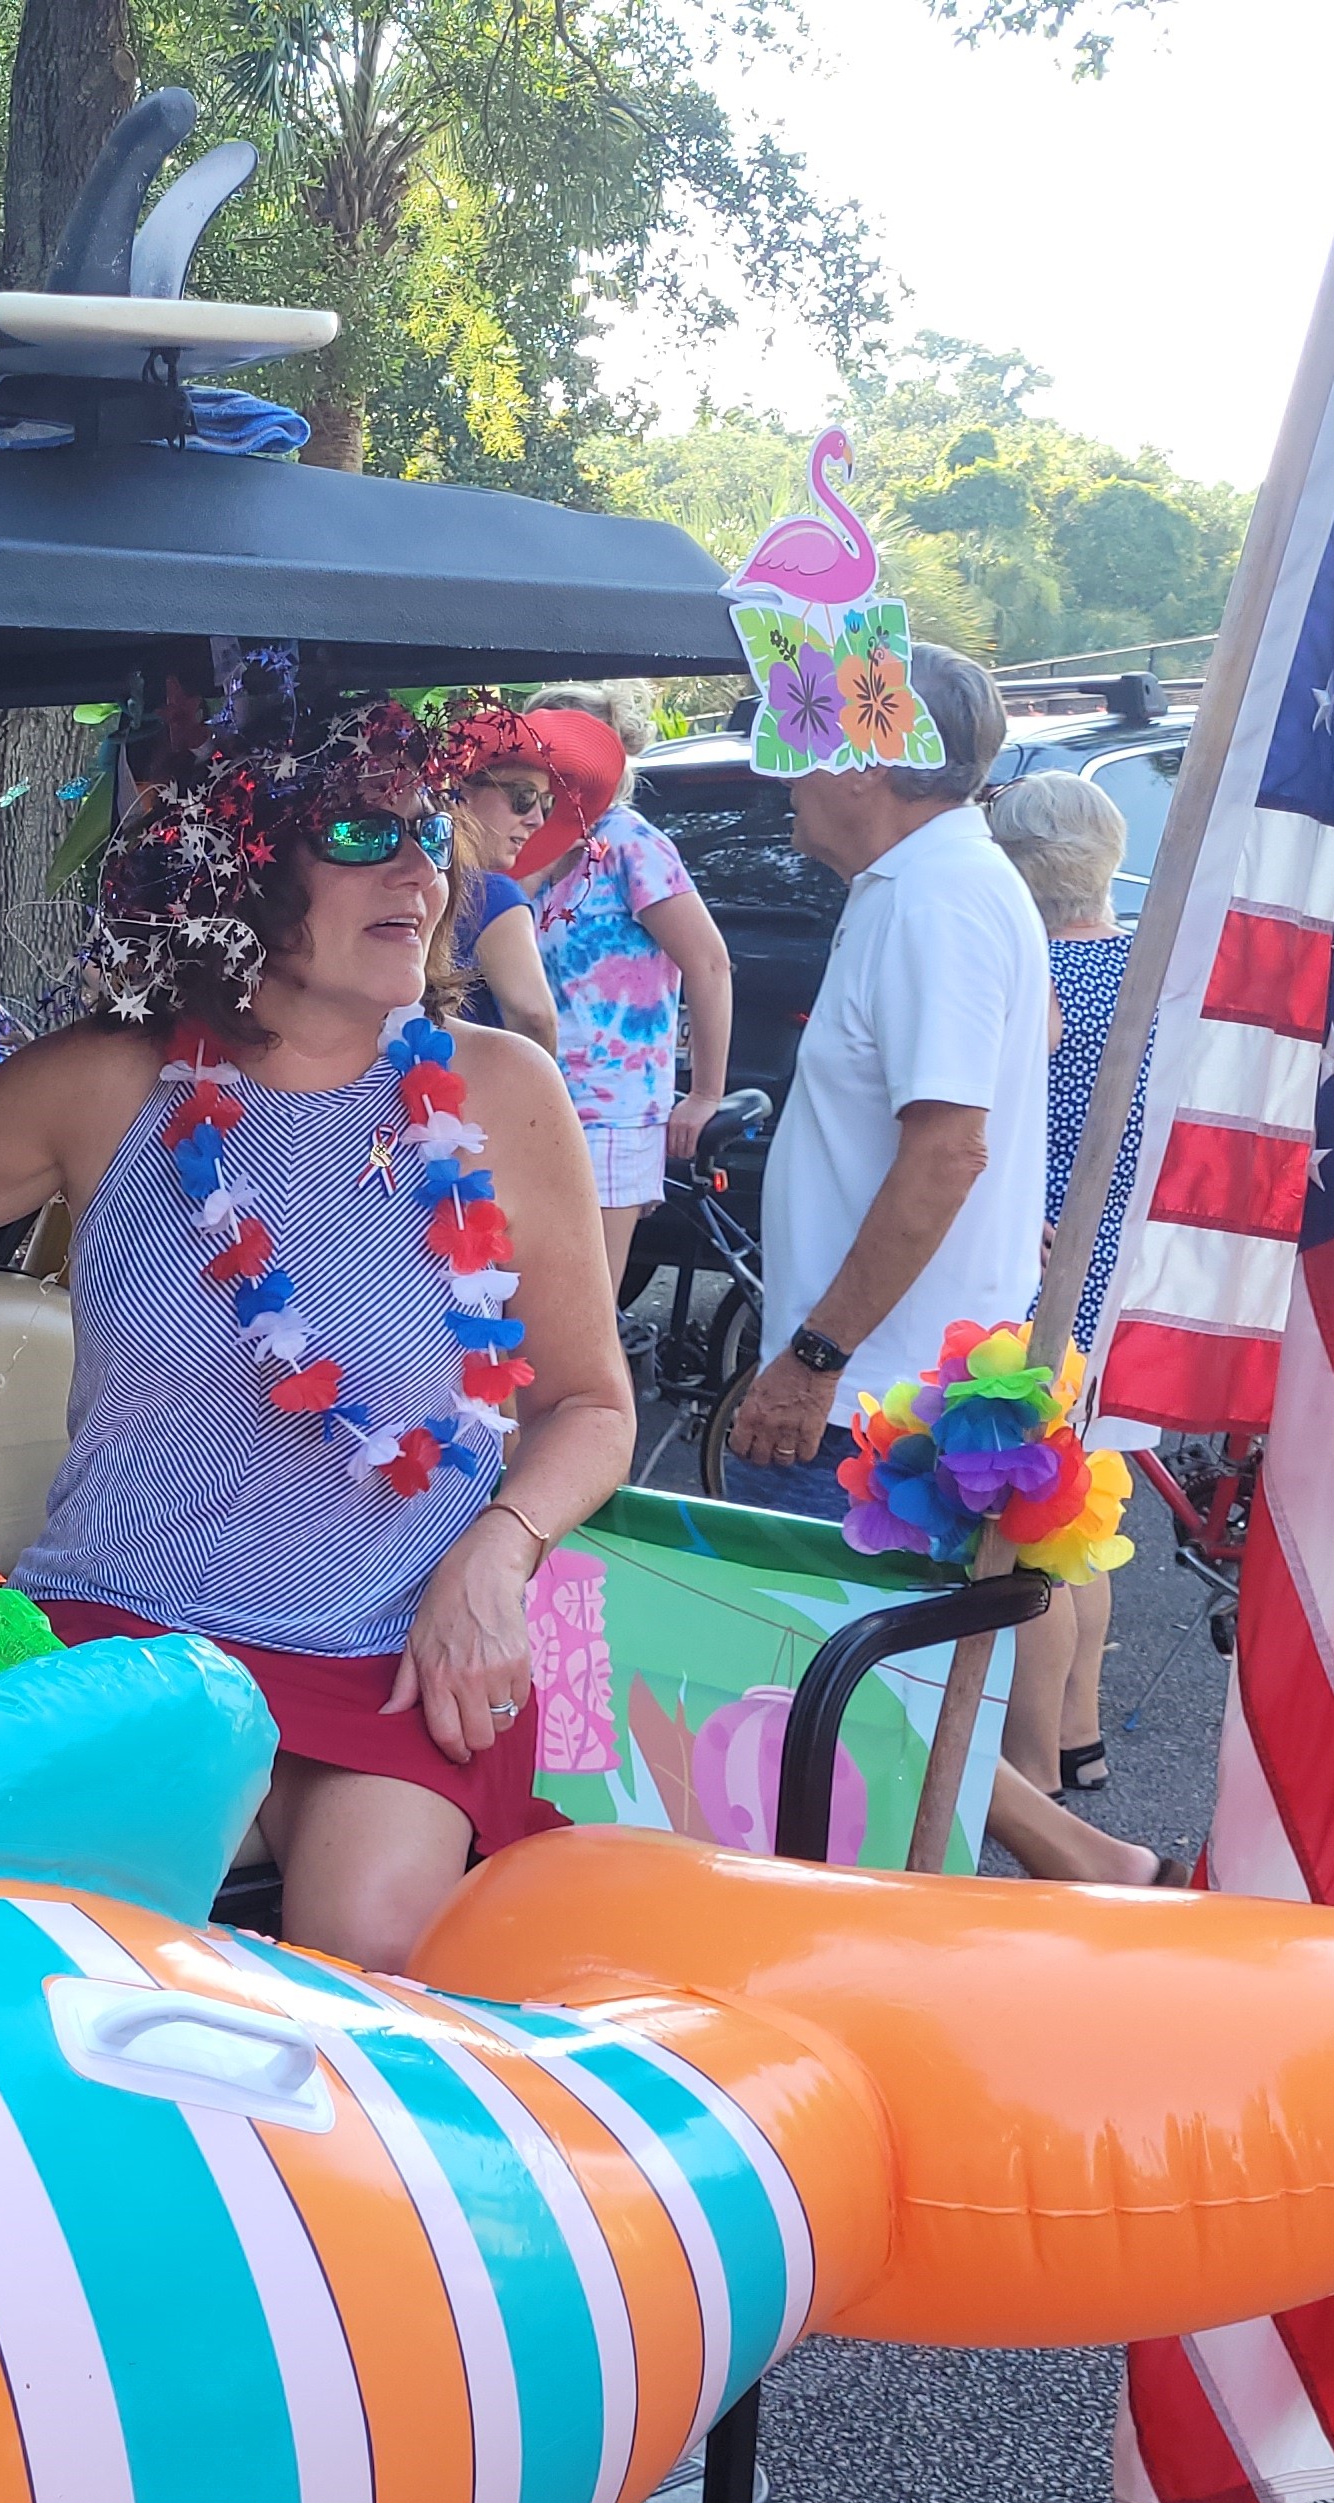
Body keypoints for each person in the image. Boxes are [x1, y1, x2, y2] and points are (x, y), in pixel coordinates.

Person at [0, 693, 635, 1972]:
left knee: (368, 1946)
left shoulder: (503, 1096)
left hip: (393, 1649)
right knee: (33, 1946)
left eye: (421, 831)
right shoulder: (110, 1085)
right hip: (127, 1636)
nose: (418, 867)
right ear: (237, 862)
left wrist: (495, 1559)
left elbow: (593, 1406)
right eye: (358, 831)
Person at [720, 648, 1171, 1888]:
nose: (781, 778)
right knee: (870, 1685)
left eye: (795, 744)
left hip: (876, 1392)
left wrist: (811, 1358)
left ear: (865, 758)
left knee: (839, 1691)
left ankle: (1067, 1874)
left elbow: (949, 1148)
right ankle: (1083, 1856)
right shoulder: (929, 885)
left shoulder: (936, 896)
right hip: (901, 1378)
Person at [989, 770, 1148, 1802]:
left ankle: (1035, 1767)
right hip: (1119, 1270)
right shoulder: (1148, 966)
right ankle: (1081, 1732)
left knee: (1030, 1534)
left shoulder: (1028, 979)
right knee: (1080, 1514)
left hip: (1038, 1273)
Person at [513, 696, 734, 1282]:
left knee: (586, 1310)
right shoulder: (534, 849)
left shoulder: (628, 843)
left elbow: (709, 963)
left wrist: (705, 1093)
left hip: (613, 1109)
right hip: (541, 1101)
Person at [446, 742, 563, 1055]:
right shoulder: (494, 894)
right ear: (461, 796)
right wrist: (544, 1099)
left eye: (546, 803)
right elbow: (534, 1015)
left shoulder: (409, 884)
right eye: (522, 797)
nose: (537, 819)